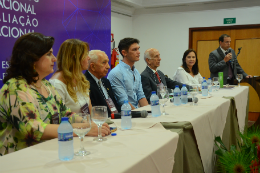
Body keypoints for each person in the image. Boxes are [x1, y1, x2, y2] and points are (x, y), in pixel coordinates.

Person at [0, 33, 107, 156]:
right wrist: (82, 129)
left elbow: (65, 113)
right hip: (19, 159)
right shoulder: (16, 88)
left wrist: (90, 124)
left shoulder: (46, 85)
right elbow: (33, 129)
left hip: (47, 152)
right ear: (32, 59)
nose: (54, 59)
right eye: (48, 54)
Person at [50, 39, 110, 135]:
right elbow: (59, 120)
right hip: (71, 136)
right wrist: (88, 128)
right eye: (86, 55)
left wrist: (97, 125)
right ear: (75, 58)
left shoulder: (81, 79)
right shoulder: (57, 84)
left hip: (86, 131)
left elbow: (90, 110)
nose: (88, 58)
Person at [107, 38, 148, 110]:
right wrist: (139, 114)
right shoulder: (116, 73)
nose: (138, 52)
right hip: (125, 114)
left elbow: (141, 96)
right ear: (124, 53)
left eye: (138, 49)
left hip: (136, 111)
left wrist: (148, 112)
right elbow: (123, 101)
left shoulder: (136, 72)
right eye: (134, 50)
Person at [85, 50, 120, 117]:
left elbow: (114, 104)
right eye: (104, 62)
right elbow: (94, 111)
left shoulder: (106, 81)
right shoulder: (85, 83)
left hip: (115, 117)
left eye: (108, 62)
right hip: (101, 121)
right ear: (93, 66)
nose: (108, 67)